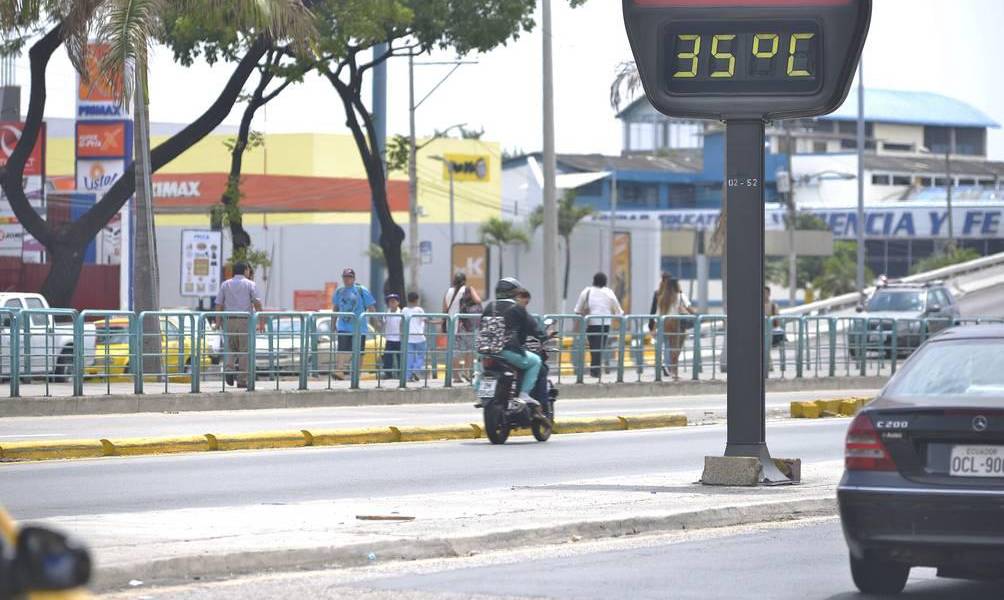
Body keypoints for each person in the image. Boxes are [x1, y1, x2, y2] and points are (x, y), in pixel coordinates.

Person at [480, 277, 549, 422]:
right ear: (514, 292)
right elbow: (533, 328)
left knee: (480, 371)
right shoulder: (517, 308)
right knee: (535, 361)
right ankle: (524, 394)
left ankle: (481, 391)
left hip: (486, 351)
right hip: (507, 351)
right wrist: (544, 336)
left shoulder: (489, 307)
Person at [215, 261, 263, 388]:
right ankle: (242, 380)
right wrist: (261, 321)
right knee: (244, 350)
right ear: (245, 270)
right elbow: (257, 303)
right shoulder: (250, 284)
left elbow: (219, 303)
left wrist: (218, 321)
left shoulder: (225, 284)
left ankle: (229, 369)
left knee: (230, 347)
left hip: (229, 320)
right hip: (244, 320)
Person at [574, 272, 624, 379]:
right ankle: (595, 369)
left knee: (594, 346)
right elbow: (618, 310)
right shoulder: (609, 292)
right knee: (599, 346)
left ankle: (595, 370)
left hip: (590, 322)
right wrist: (619, 318)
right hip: (605, 324)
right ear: (605, 282)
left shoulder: (587, 291)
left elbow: (578, 309)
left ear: (593, 280)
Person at [331, 267, 376, 380]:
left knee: (358, 351)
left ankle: (356, 372)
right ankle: (340, 370)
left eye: (349, 277)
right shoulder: (339, 291)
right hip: (343, 325)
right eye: (345, 277)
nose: (347, 279)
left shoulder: (361, 290)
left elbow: (371, 307)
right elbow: (335, 308)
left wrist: (375, 321)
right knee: (342, 348)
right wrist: (333, 323)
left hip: (359, 327)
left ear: (354, 278)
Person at [443, 272, 482, 383]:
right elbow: (478, 300)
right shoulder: (468, 289)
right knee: (469, 349)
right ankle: (467, 371)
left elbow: (445, 309)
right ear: (464, 280)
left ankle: (456, 376)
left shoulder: (448, 291)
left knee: (455, 351)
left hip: (451, 324)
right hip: (465, 325)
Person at [656, 277, 696, 381]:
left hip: (666, 323)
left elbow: (659, 313)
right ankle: (675, 372)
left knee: (671, 347)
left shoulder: (662, 298)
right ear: (676, 285)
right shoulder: (680, 296)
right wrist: (697, 316)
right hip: (677, 323)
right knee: (677, 348)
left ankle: (673, 371)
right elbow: (689, 308)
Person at [402, 292, 427, 382]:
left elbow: (402, 323)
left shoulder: (404, 310)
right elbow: (425, 320)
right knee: (421, 355)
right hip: (419, 336)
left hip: (409, 337)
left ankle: (408, 376)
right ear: (417, 300)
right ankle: (415, 370)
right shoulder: (419, 309)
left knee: (409, 357)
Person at [381, 293, 403, 379]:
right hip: (389, 339)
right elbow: (382, 323)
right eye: (390, 301)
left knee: (400, 357)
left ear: (398, 302)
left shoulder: (401, 313)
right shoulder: (386, 313)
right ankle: (388, 373)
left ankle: (400, 374)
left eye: (394, 301)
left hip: (399, 339)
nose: (392, 303)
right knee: (387, 357)